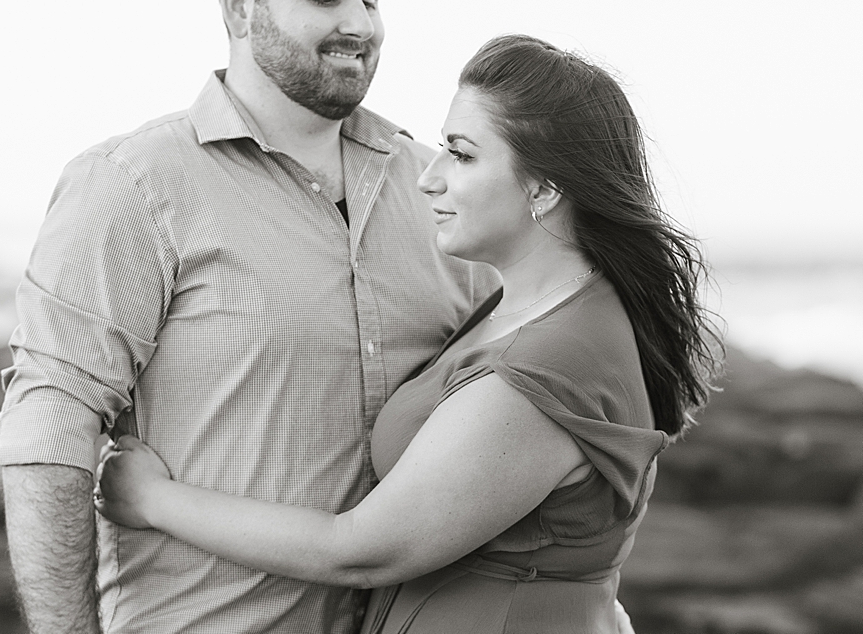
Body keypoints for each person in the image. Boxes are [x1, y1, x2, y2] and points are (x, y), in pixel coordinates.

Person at [0, 0, 500, 634]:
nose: (359, 25)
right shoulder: (134, 186)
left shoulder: (439, 190)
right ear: (240, 5)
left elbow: (514, 400)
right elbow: (49, 437)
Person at [96, 34, 722, 633]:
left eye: (463, 153)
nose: (429, 176)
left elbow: (360, 552)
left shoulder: (550, 359)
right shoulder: (527, 308)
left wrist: (153, 499)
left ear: (546, 185)